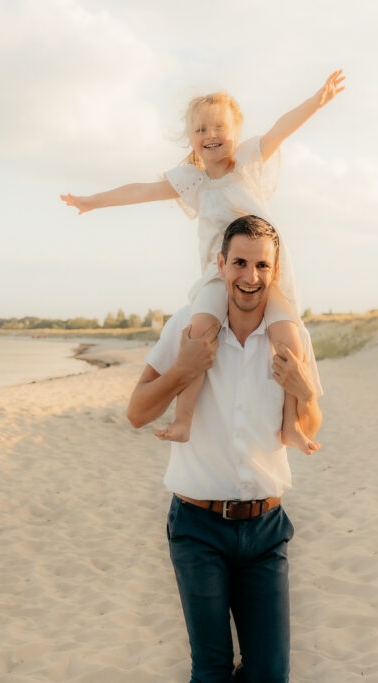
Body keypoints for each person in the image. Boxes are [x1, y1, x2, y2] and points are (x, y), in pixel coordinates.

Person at [63, 70, 344, 454]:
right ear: (191, 138)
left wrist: (317, 101)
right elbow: (140, 190)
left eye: (219, 127)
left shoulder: (246, 163)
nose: (211, 135)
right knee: (199, 333)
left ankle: (292, 425)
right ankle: (183, 419)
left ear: (236, 132)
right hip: (217, 273)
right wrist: (92, 202)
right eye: (201, 129)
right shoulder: (192, 182)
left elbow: (282, 128)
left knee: (289, 338)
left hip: (265, 267)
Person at [127, 216, 323, 682]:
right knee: (211, 670)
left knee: (270, 674)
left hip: (266, 531)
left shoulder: (292, 336)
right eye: (239, 263)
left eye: (261, 265)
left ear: (274, 271)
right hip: (198, 528)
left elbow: (309, 427)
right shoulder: (188, 325)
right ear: (220, 264)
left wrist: (306, 394)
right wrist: (183, 369)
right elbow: (137, 412)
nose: (250, 276)